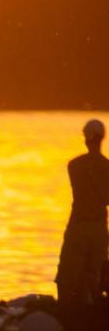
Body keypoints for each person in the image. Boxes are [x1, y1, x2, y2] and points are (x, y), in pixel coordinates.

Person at [55, 119, 109, 306]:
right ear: (102, 138)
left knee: (66, 278)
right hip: (100, 230)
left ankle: (67, 313)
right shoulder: (107, 167)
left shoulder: (74, 165)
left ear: (86, 139)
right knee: (95, 276)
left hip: (78, 228)